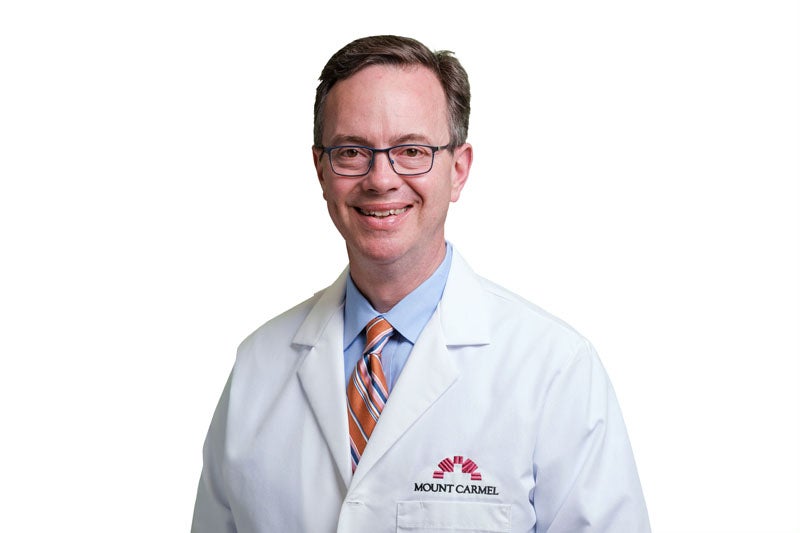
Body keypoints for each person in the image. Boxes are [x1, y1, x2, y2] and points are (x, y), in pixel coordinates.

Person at [191, 35, 650, 532]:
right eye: (351, 152)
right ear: (321, 170)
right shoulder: (258, 366)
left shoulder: (555, 369)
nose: (381, 179)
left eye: (412, 151)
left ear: (458, 170)